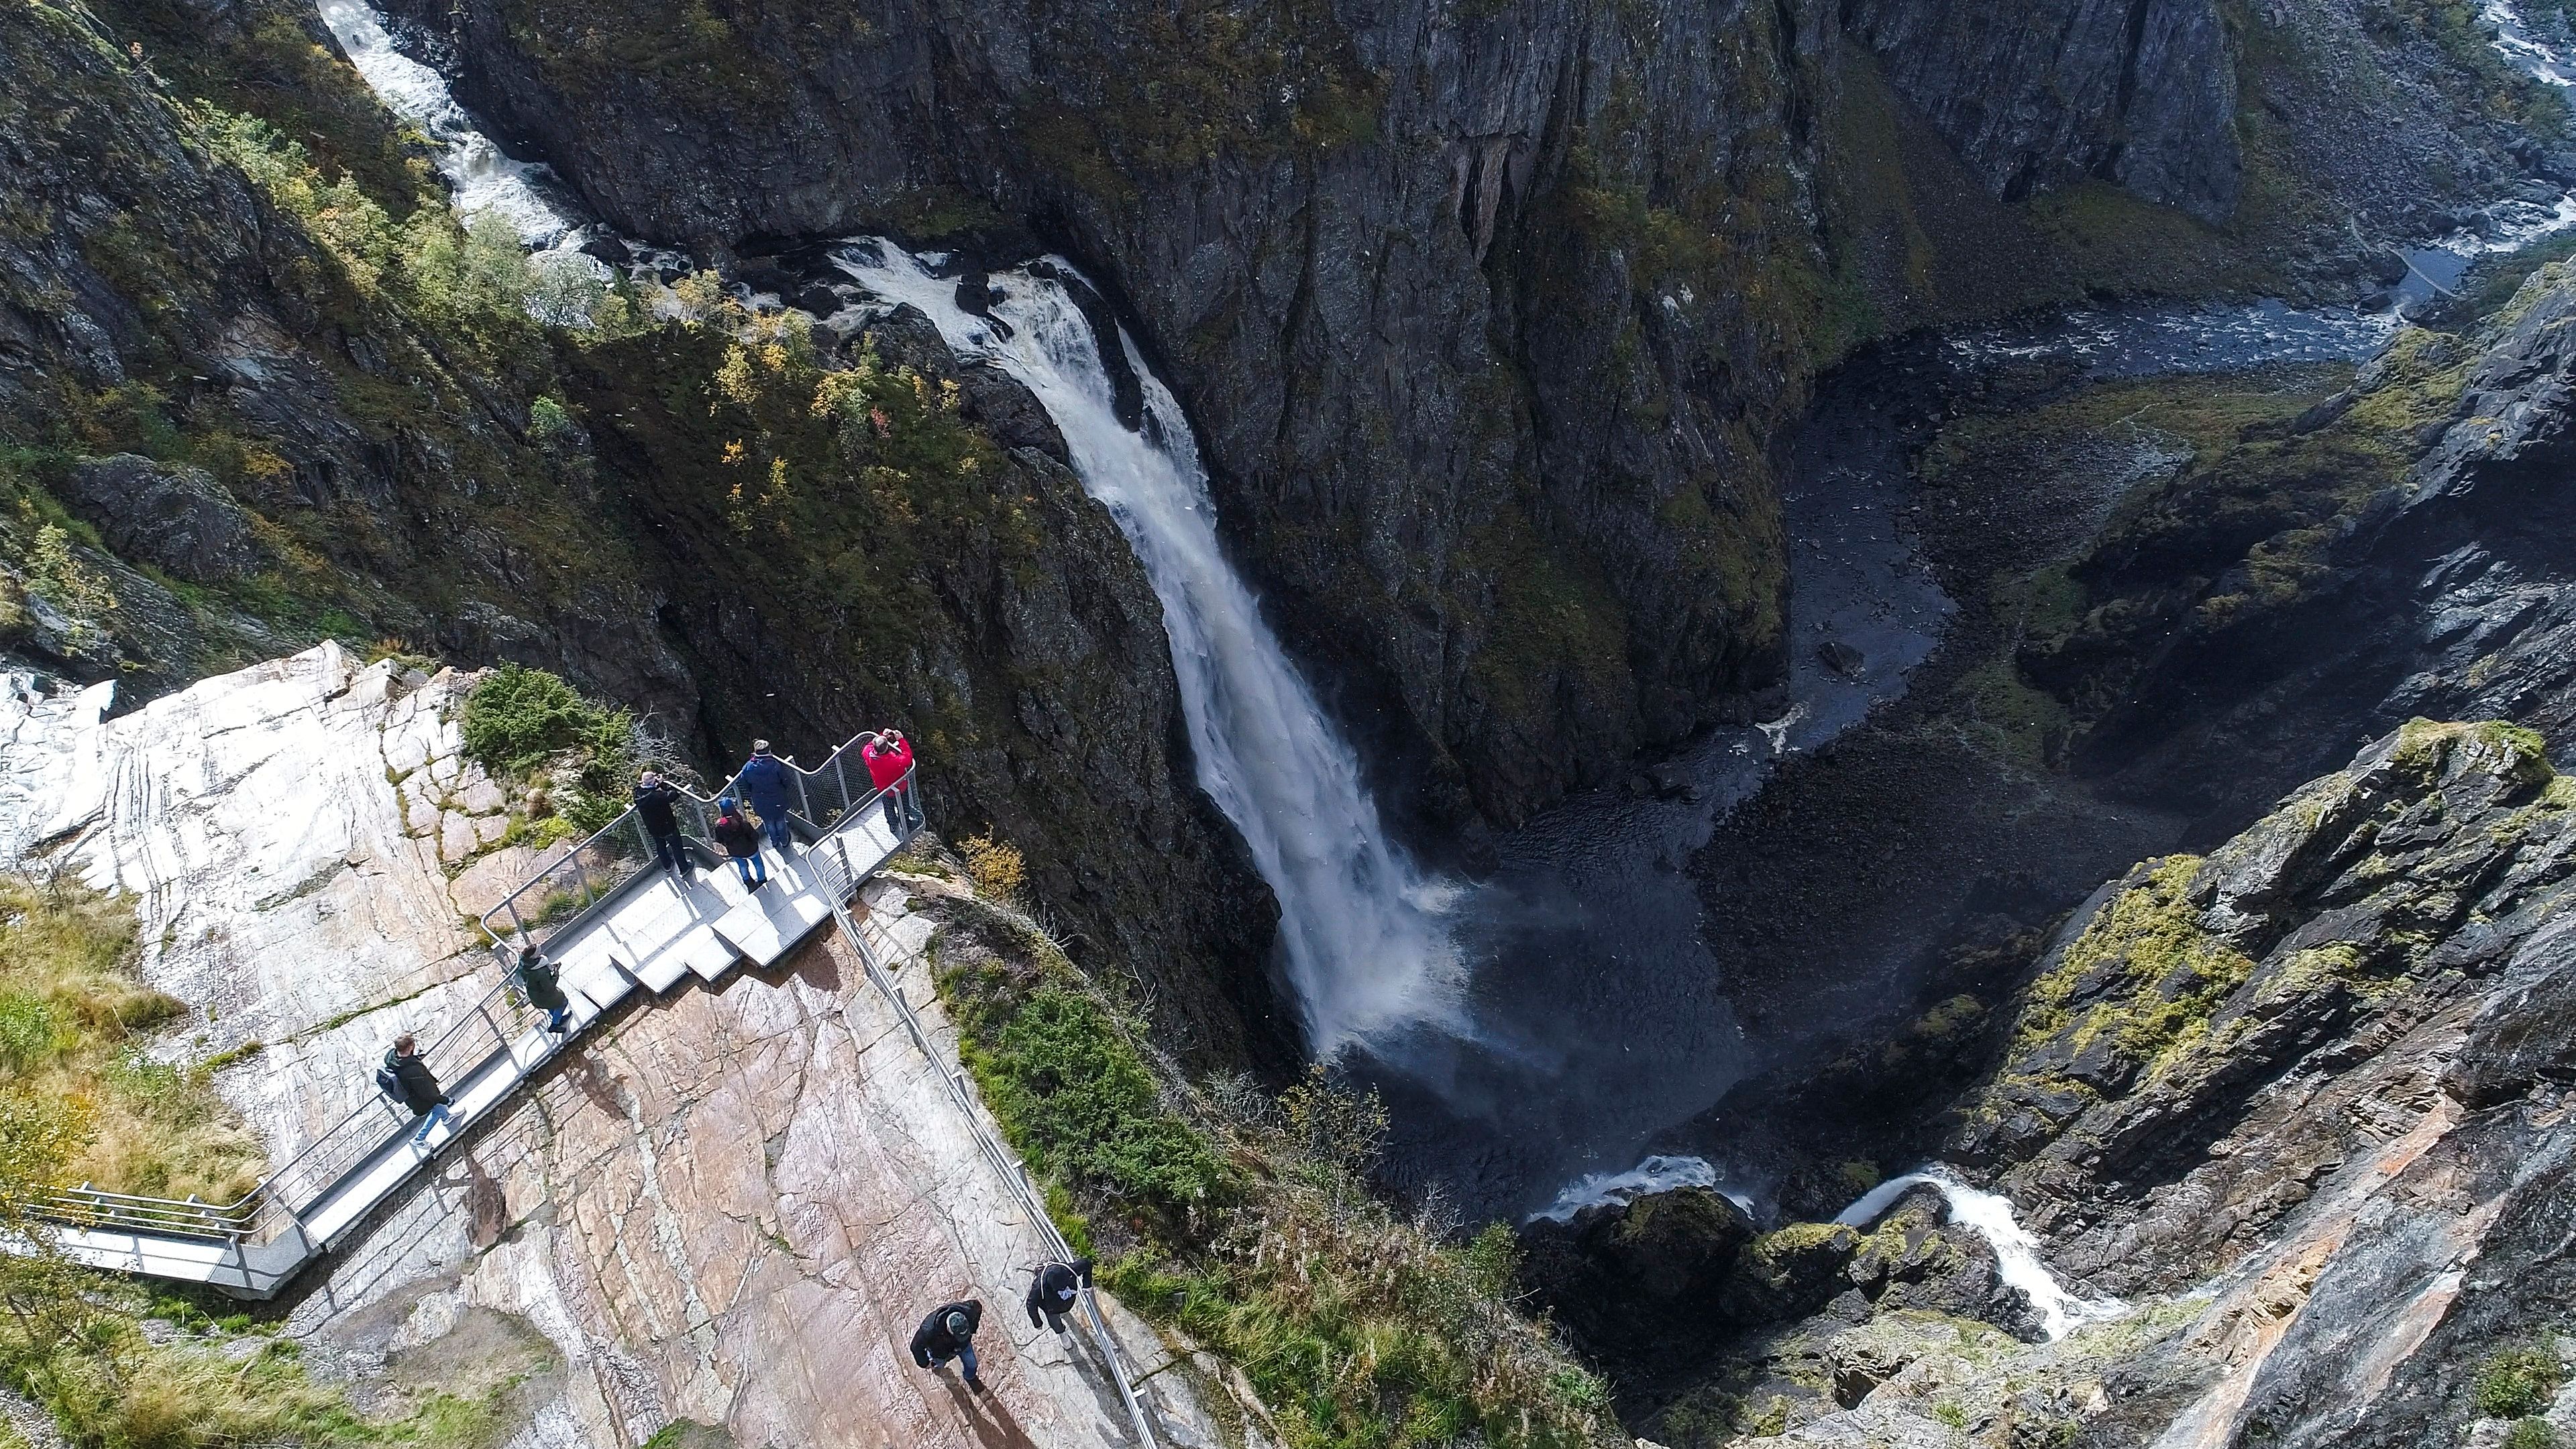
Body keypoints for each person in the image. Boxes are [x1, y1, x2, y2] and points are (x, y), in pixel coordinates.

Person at [379, 1034, 452, 1144]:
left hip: (410, 1096)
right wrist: (445, 1100)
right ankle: (419, 1139)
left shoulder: (391, 1057)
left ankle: (447, 1118)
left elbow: (405, 1067)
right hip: (419, 1099)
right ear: (410, 1047)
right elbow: (429, 1093)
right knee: (436, 1110)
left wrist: (414, 1059)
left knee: (438, 1109)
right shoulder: (413, 1070)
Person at [909, 1299, 985, 1392]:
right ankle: (936, 1367)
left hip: (964, 1346)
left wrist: (973, 1329)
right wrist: (925, 1363)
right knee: (938, 1364)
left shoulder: (970, 1311)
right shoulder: (929, 1329)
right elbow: (915, 1347)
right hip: (941, 1353)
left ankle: (970, 1377)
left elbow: (977, 1308)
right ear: (949, 1329)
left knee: (972, 1364)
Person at [736, 741, 798, 853]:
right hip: (778, 799)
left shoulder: (748, 767)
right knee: (780, 821)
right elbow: (786, 781)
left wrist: (753, 791)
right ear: (769, 750)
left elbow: (743, 781)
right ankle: (784, 841)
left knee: (768, 822)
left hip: (760, 801)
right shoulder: (775, 765)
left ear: (755, 751)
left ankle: (774, 842)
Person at [861, 729, 920, 835]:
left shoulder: (868, 754)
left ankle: (893, 825)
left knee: (888, 807)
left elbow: (869, 746)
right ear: (888, 746)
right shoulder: (893, 761)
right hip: (900, 787)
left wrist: (882, 736)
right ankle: (906, 824)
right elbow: (907, 757)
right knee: (904, 806)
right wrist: (901, 740)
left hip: (883, 789)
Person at [634, 770, 691, 877]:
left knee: (660, 846)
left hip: (653, 828)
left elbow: (649, 791)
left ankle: (667, 865)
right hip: (667, 827)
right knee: (677, 846)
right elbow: (673, 795)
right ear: (652, 782)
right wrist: (662, 784)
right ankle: (684, 868)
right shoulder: (657, 797)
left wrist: (656, 785)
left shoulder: (638, 794)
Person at [1024, 1255, 1094, 1334]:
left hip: (1068, 1302)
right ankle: (1061, 1333)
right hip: (1052, 1309)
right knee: (1055, 1324)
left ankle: (1061, 1329)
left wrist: (1087, 1286)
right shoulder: (1038, 1288)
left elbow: (1087, 1263)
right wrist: (1038, 1323)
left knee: (1055, 1320)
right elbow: (1030, 1304)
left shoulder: (1068, 1270)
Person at [515, 945, 572, 1036]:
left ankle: (557, 1018)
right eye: (539, 953)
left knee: (551, 1006)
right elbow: (549, 988)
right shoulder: (541, 971)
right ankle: (554, 1025)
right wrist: (556, 974)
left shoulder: (523, 965)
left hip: (534, 995)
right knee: (563, 1002)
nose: (541, 954)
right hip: (543, 996)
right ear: (534, 957)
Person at [712, 796, 767, 890]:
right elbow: (755, 837)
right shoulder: (743, 824)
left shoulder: (719, 826)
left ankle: (748, 882)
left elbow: (719, 840)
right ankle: (762, 880)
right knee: (758, 864)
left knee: (742, 866)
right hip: (751, 850)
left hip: (735, 852)